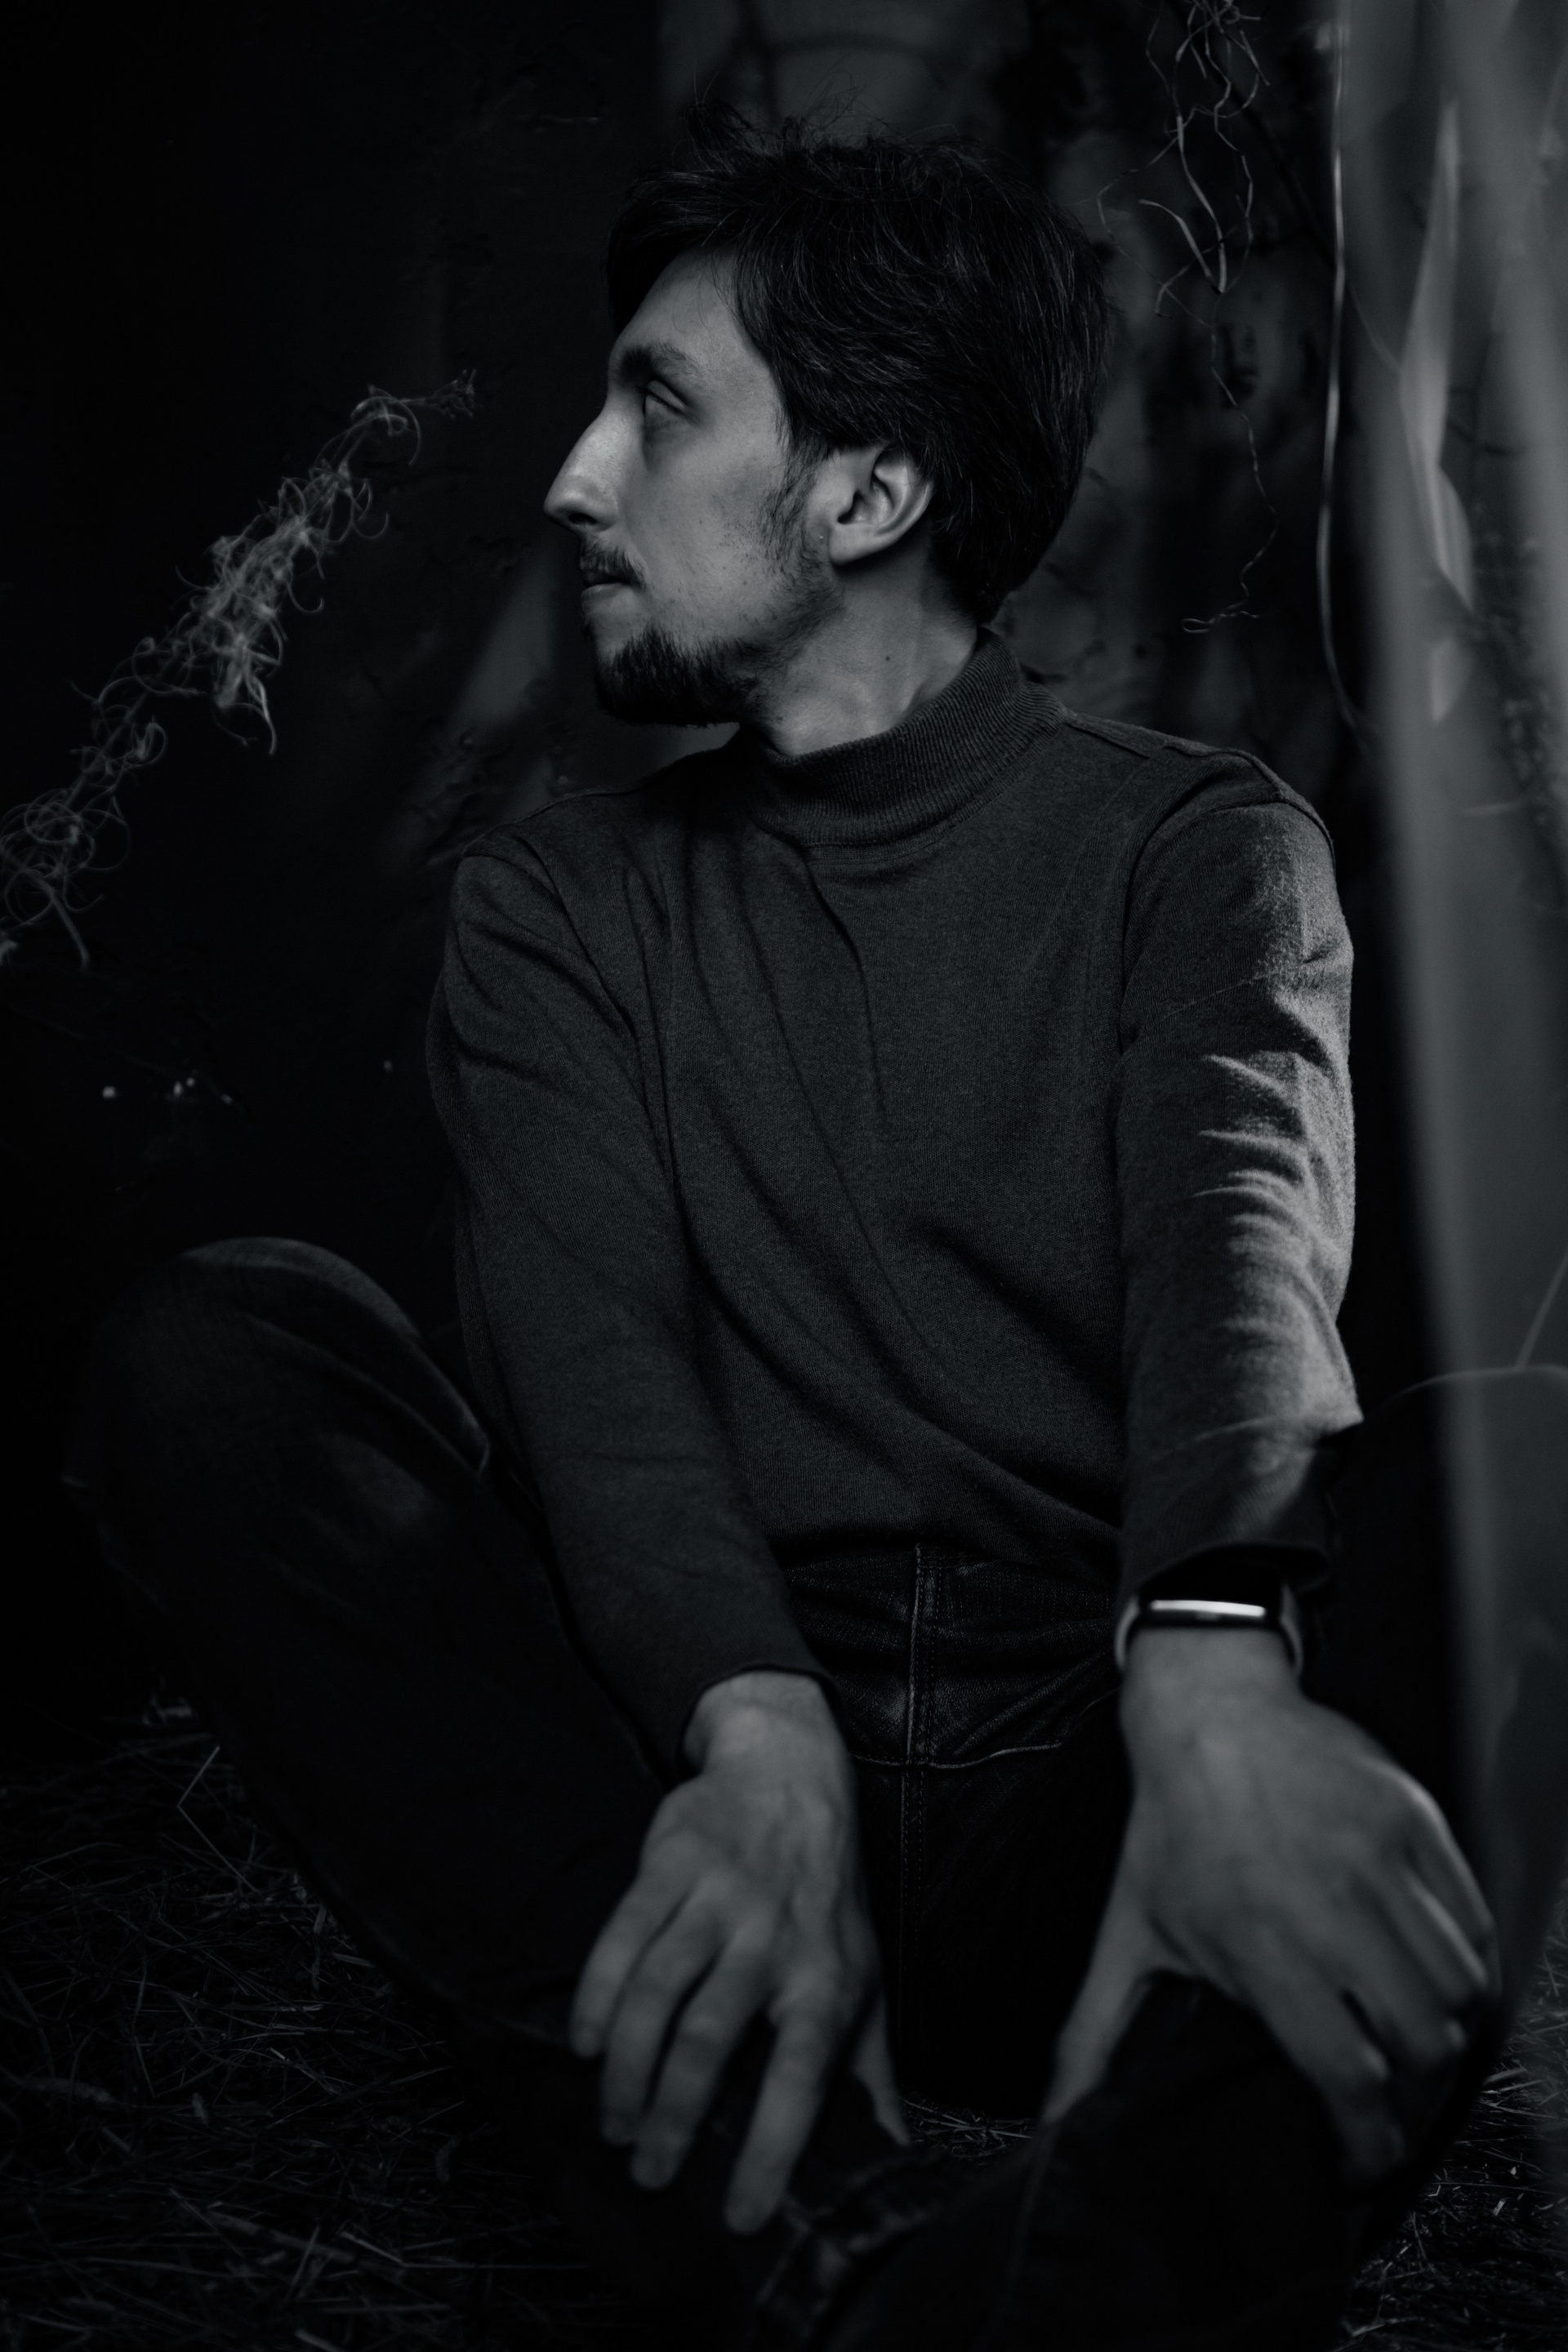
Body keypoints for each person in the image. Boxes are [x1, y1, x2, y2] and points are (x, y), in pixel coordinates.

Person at [74, 110, 1514, 2349]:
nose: (577, 480)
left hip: (1103, 1806)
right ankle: (826, 2259)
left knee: (1534, 1453)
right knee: (219, 1349)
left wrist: (1215, 1662)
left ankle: (1142, 2245)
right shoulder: (558, 905)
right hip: (694, 1803)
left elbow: (1239, 1242)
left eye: (656, 410)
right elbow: (599, 1375)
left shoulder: (1199, 851)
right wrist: (754, 1740)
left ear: (867, 494)